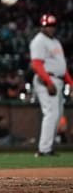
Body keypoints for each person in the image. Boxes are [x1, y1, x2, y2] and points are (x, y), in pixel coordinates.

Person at [29, 14, 73, 157]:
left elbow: (62, 66)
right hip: (47, 80)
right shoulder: (39, 41)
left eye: (53, 25)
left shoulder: (55, 41)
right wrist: (48, 82)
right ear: (42, 26)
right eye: (48, 25)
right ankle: (44, 149)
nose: (51, 28)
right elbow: (36, 64)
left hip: (58, 79)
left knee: (58, 114)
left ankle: (48, 147)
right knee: (51, 113)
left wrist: (71, 83)